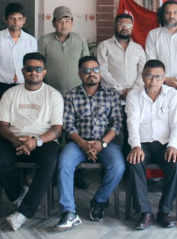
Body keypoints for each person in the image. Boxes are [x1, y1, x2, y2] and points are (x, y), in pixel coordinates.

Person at [0, 52, 63, 231]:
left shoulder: (53, 95)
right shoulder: (10, 93)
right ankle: (18, 193)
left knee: (50, 161)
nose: (33, 72)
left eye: (38, 69)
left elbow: (56, 129)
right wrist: (16, 141)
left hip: (42, 140)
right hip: (13, 138)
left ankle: (24, 213)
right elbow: (2, 126)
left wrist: (36, 141)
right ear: (23, 71)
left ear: (44, 72)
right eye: (29, 68)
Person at [55, 56, 125, 230]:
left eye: (95, 70)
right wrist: (83, 144)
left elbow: (117, 123)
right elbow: (68, 125)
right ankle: (68, 211)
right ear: (79, 74)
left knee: (118, 166)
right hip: (78, 143)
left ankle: (99, 200)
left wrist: (101, 143)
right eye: (86, 71)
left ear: (100, 73)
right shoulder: (71, 95)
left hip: (106, 143)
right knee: (64, 163)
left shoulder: (112, 95)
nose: (91, 74)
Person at [125, 59, 177, 230]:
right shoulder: (133, 95)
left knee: (176, 164)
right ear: (143, 76)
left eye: (158, 77)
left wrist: (173, 146)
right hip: (142, 143)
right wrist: (135, 146)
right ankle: (145, 213)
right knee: (134, 162)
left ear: (164, 78)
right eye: (149, 76)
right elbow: (132, 122)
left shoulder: (172, 95)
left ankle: (164, 212)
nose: (154, 81)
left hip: (165, 144)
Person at [144, 0, 177, 105]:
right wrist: (165, 79)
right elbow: (151, 61)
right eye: (168, 12)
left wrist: (176, 79)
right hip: (159, 84)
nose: (171, 16)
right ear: (163, 15)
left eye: (175, 12)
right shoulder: (153, 35)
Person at [0, 2, 37, 95]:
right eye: (12, 18)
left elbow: (33, 65)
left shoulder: (31, 41)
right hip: (0, 87)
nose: (16, 22)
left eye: (19, 19)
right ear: (6, 19)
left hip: (24, 86)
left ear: (24, 20)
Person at [37, 6, 90, 96]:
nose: (64, 25)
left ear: (72, 23)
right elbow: (39, 66)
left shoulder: (80, 40)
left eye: (67, 21)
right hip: (50, 92)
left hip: (77, 92)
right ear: (53, 23)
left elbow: (87, 65)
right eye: (60, 21)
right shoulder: (44, 41)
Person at [96, 13, 145, 99]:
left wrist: (133, 90)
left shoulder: (138, 48)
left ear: (132, 28)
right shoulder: (104, 46)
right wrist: (120, 90)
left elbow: (143, 71)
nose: (125, 28)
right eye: (121, 24)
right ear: (115, 25)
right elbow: (102, 71)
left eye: (129, 25)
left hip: (134, 95)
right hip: (110, 95)